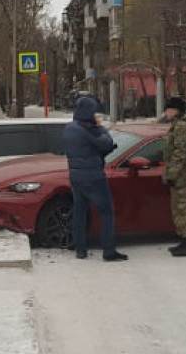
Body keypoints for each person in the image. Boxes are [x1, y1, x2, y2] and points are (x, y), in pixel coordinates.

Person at [63, 96, 127, 262]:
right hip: (93, 176)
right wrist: (101, 128)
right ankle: (108, 251)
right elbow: (107, 144)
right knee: (106, 212)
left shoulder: (70, 128)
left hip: (75, 176)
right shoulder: (88, 130)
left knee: (79, 212)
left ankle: (80, 249)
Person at [162, 95, 186, 257]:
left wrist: (172, 174)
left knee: (183, 210)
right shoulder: (177, 125)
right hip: (180, 176)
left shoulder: (181, 127)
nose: (166, 112)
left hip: (182, 176)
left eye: (168, 109)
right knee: (179, 209)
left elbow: (180, 153)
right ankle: (184, 241)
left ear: (175, 110)